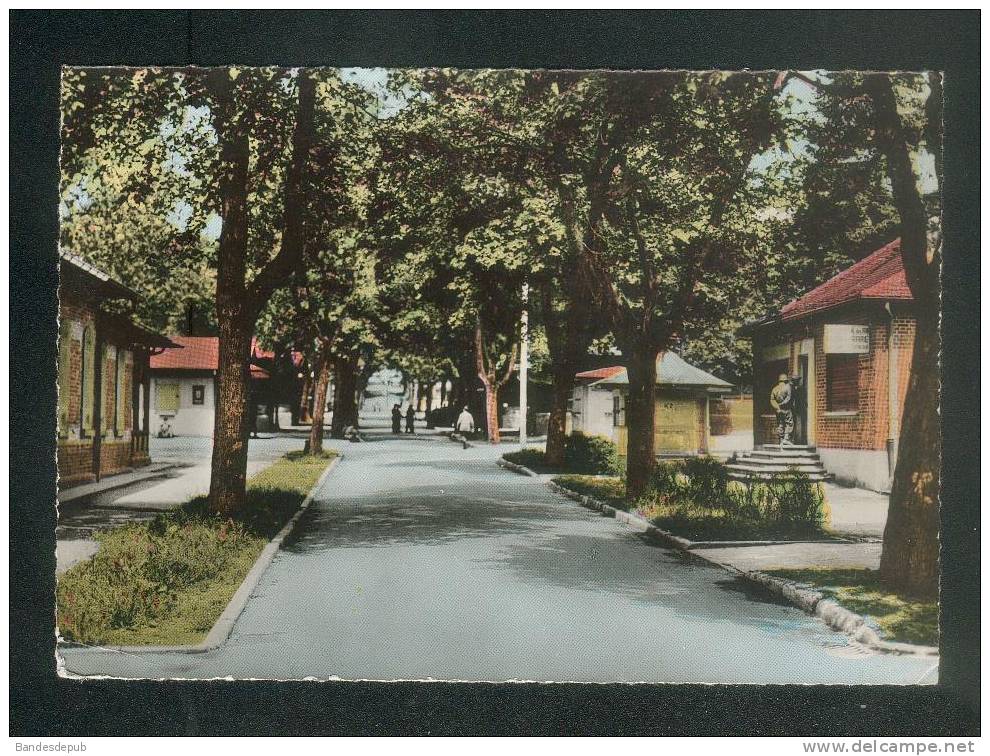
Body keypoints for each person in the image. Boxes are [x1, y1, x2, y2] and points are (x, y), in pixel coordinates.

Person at [769, 373, 794, 445]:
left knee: (780, 424)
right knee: (789, 423)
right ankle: (786, 439)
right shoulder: (787, 387)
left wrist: (777, 407)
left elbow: (772, 400)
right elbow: (788, 399)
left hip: (778, 410)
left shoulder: (774, 389)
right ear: (785, 380)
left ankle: (781, 439)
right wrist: (782, 404)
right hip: (786, 409)